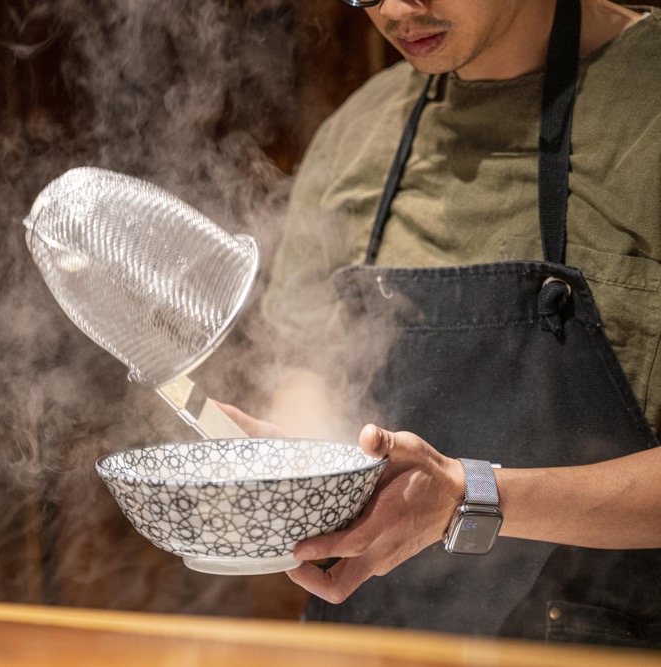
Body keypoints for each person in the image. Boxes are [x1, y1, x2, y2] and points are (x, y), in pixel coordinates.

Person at [221, 0, 661, 648]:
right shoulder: (357, 135)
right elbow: (309, 369)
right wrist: (295, 466)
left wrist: (469, 496)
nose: (397, 8)